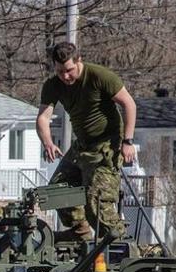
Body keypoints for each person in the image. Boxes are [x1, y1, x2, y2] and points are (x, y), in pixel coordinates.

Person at [35, 41, 135, 241]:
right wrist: (48, 142)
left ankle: (119, 245)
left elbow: (129, 104)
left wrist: (128, 141)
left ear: (79, 61)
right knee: (56, 191)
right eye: (60, 71)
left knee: (96, 201)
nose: (65, 76)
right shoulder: (53, 85)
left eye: (69, 70)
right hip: (82, 145)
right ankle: (81, 233)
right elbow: (43, 118)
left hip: (107, 144)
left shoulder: (99, 76)